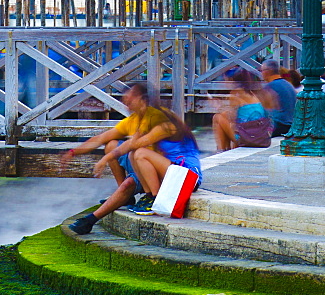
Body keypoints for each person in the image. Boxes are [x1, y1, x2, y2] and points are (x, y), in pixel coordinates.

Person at [69, 105, 201, 233]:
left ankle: (153, 197)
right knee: (121, 148)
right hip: (166, 170)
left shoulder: (166, 126)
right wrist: (72, 152)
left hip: (187, 176)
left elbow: (136, 144)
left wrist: (105, 159)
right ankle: (97, 216)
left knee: (139, 153)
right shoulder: (142, 121)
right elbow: (105, 139)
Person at [62, 83, 167, 233]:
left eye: (130, 99)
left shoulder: (155, 117)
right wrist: (72, 152)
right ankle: (127, 196)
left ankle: (90, 220)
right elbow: (101, 138)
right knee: (111, 144)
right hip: (138, 163)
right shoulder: (133, 119)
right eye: (125, 100)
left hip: (154, 170)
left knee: (129, 176)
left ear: (142, 99)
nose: (126, 103)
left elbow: (132, 144)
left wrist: (105, 159)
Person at [212, 69, 272, 151]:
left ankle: (221, 150)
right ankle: (227, 149)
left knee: (217, 118)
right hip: (261, 138)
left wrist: (217, 106)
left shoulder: (236, 93)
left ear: (232, 81)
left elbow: (232, 118)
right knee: (226, 117)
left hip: (249, 138)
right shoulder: (253, 93)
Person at [260, 58, 297, 137]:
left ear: (268, 71)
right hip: (291, 126)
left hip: (278, 126)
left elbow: (263, 110)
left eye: (262, 70)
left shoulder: (270, 87)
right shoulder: (288, 84)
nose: (261, 73)